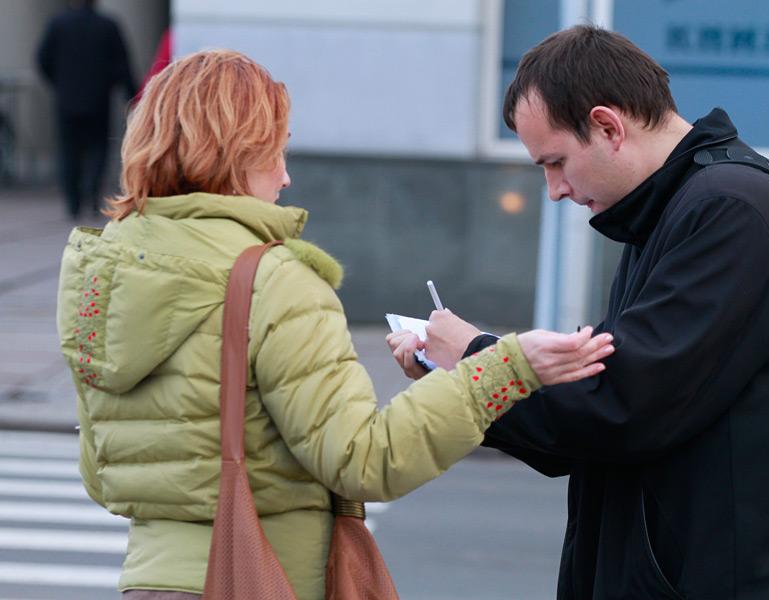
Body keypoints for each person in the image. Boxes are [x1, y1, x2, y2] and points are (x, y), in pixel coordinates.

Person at [55, 49, 615, 599]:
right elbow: (365, 460)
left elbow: (102, 475)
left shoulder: (103, 274)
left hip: (149, 580)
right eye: (277, 151)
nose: (285, 176)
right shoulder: (271, 280)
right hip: (263, 577)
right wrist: (500, 368)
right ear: (238, 151)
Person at [395, 25, 769, 599]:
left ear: (609, 125)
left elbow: (619, 405)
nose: (554, 190)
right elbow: (595, 417)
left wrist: (475, 358)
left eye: (555, 161)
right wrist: (459, 377)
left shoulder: (729, 212)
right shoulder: (677, 209)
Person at [36, 0, 136, 219]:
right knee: (97, 148)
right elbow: (122, 64)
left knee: (68, 150)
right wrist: (133, 95)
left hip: (67, 100)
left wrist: (59, 83)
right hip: (98, 99)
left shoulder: (57, 24)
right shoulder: (107, 25)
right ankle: (91, 195)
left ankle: (73, 201)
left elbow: (42, 60)